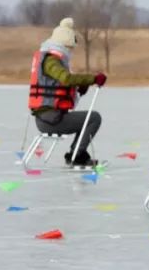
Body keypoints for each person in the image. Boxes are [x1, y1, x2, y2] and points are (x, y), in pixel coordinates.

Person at [28, 17, 106, 167]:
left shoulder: (49, 59)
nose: (71, 51)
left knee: (86, 118)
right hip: (50, 120)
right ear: (63, 45)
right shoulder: (51, 61)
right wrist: (93, 79)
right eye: (70, 48)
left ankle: (76, 153)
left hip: (50, 117)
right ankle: (77, 155)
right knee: (94, 118)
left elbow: (61, 85)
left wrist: (79, 90)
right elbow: (66, 78)